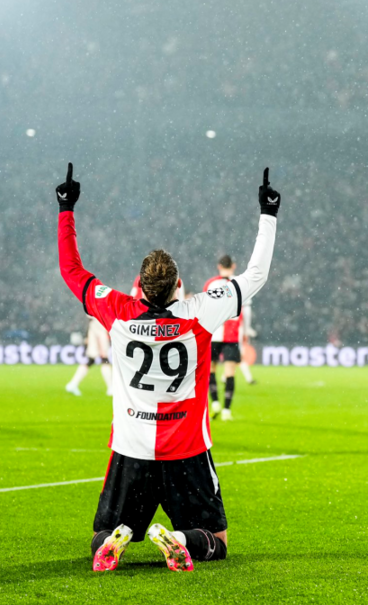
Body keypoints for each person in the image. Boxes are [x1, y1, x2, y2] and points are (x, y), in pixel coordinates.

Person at [56, 163, 280, 573]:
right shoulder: (201, 312)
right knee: (218, 541)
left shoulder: (118, 312)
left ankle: (115, 540)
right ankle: (179, 539)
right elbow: (257, 274)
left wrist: (65, 209)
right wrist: (268, 215)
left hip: (131, 448)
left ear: (138, 288)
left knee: (100, 534)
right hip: (187, 450)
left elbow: (71, 270)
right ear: (179, 285)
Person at [205, 256, 243, 420]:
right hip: (232, 334)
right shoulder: (240, 283)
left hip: (213, 332)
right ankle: (227, 410)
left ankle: (215, 402)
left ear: (219, 266)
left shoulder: (210, 283)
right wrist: (246, 331)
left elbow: (204, 307)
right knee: (230, 372)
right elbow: (245, 309)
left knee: (211, 369)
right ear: (233, 266)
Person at [65, 315, 113, 397]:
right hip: (100, 326)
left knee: (91, 360)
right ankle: (111, 388)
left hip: (96, 324)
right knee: (104, 358)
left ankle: (73, 384)